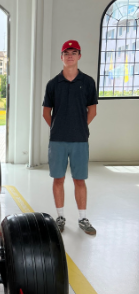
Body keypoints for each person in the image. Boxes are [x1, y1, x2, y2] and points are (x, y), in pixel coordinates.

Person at [42, 40, 98, 235]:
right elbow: (46, 112)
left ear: (79, 56)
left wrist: (79, 127)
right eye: (66, 53)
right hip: (57, 141)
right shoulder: (53, 84)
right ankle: (60, 217)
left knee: (79, 180)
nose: (70, 55)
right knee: (58, 179)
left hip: (80, 140)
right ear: (61, 57)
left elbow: (92, 111)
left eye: (74, 52)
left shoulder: (88, 82)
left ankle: (83, 218)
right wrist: (58, 128)